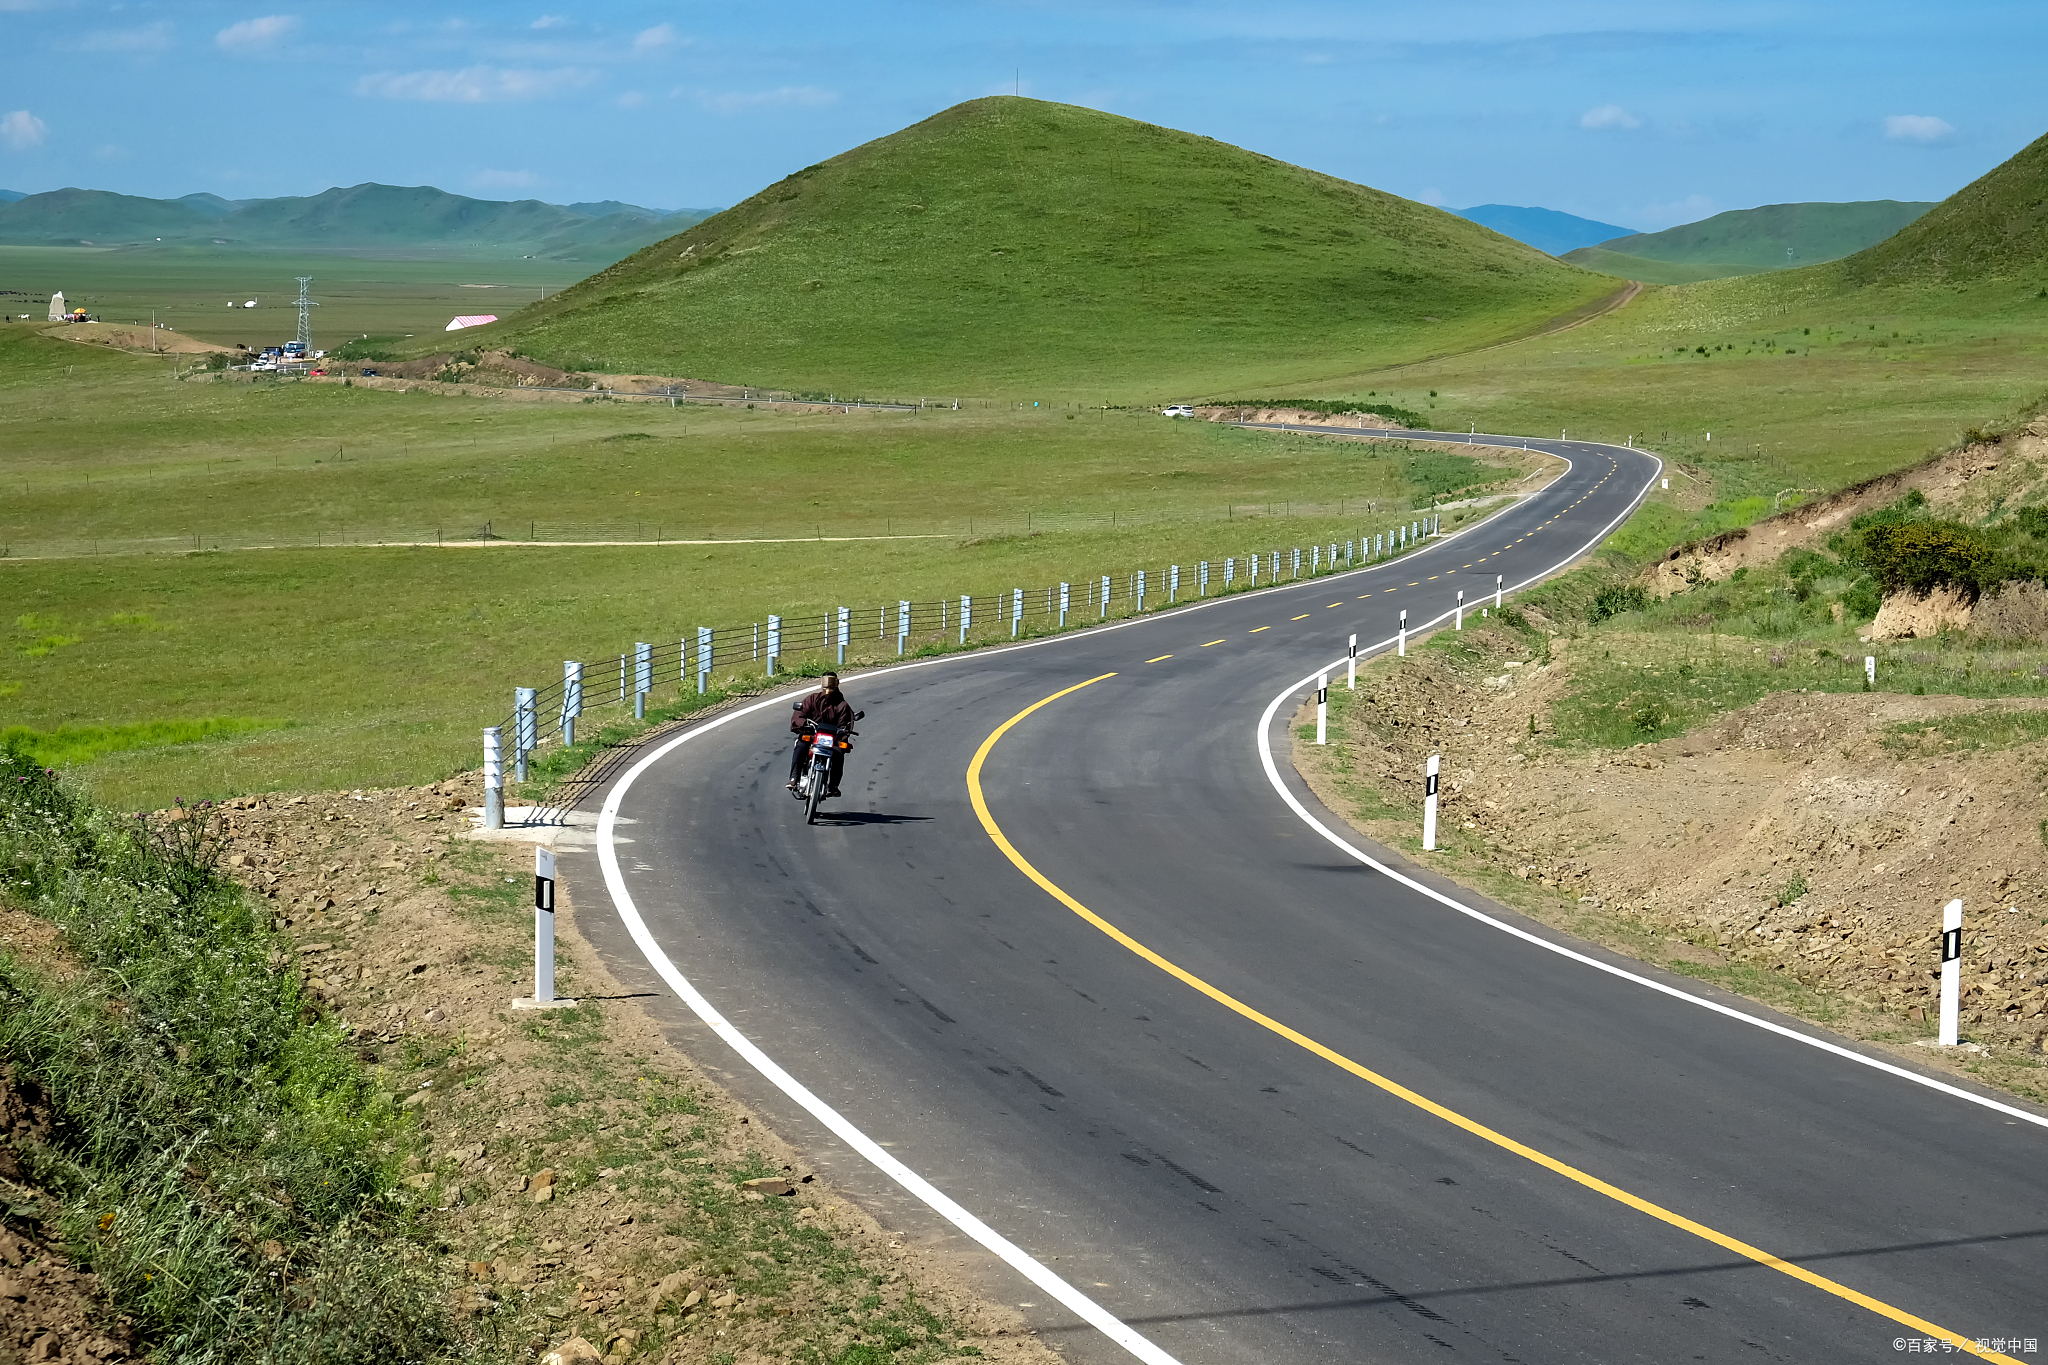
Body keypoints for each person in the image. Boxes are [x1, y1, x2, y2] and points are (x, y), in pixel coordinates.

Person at [788, 673, 856, 796]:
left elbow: (845, 725)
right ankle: (794, 778)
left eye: (831, 687)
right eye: (826, 687)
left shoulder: (842, 706)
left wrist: (843, 733)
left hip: (832, 740)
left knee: (839, 753)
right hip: (812, 735)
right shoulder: (812, 699)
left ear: (836, 685)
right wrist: (803, 723)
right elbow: (799, 714)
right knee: (801, 745)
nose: (828, 690)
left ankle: (833, 785)